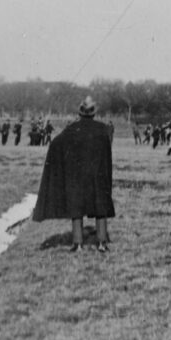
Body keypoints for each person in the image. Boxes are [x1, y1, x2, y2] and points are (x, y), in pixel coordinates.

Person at [32, 95, 114, 253]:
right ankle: (102, 243)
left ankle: (77, 244)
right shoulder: (102, 129)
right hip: (97, 176)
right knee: (100, 207)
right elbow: (107, 155)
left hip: (77, 176)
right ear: (94, 113)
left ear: (80, 113)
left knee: (76, 207)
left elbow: (55, 144)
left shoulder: (72, 129)